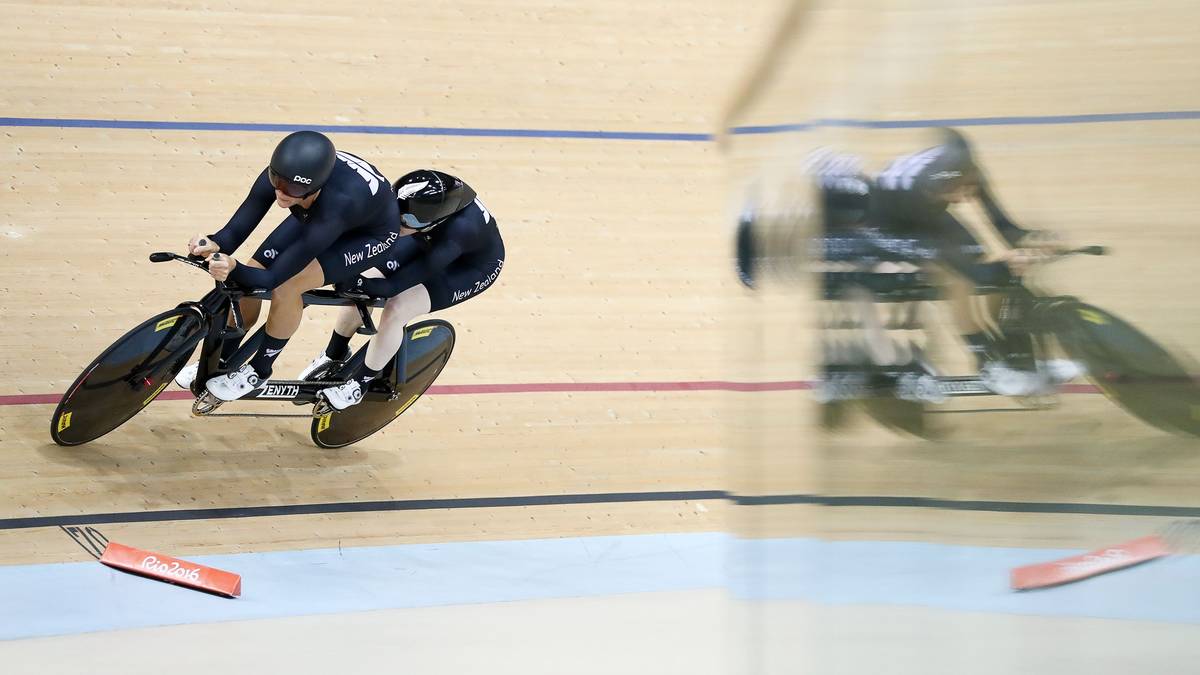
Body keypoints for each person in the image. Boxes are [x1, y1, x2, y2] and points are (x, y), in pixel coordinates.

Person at [174, 130, 401, 400]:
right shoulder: (287, 178)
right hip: (319, 211)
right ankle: (222, 362)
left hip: (368, 235)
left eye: (292, 189)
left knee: (289, 286)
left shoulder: (336, 205)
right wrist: (214, 243)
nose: (281, 193)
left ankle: (259, 370)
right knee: (250, 273)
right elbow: (233, 233)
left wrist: (233, 267)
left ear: (315, 187)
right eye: (276, 182)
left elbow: (273, 279)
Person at [865, 128, 1084, 396]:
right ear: (933, 190)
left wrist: (1038, 239)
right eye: (950, 194)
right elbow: (968, 270)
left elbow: (1007, 230)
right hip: (891, 227)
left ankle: (1013, 354)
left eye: (965, 190)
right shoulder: (922, 193)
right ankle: (987, 363)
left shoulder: (969, 172)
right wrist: (1003, 265)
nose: (962, 199)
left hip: (926, 214)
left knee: (988, 264)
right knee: (957, 281)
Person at [298, 169, 505, 410]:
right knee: (366, 279)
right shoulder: (416, 206)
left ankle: (359, 385)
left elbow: (392, 286)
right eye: (397, 213)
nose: (398, 224)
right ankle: (335, 354)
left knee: (398, 307)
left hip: (469, 267)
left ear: (433, 221)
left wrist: (360, 283)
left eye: (409, 221)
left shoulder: (460, 230)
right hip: (427, 238)